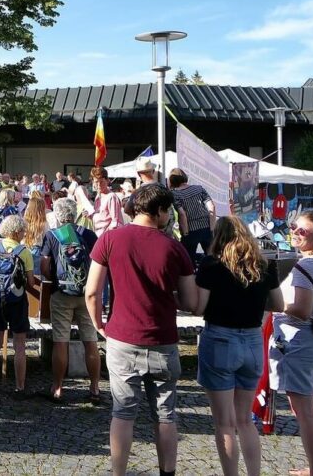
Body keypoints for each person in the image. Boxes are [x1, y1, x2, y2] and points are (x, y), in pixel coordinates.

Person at [84, 183, 197, 476]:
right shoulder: (175, 248)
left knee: (122, 412)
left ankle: (119, 472)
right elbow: (191, 301)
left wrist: (99, 324)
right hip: (162, 337)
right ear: (159, 211)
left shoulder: (109, 239)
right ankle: (167, 472)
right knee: (165, 415)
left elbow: (92, 292)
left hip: (122, 335)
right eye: (168, 210)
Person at [194, 216, 284, 476]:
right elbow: (278, 305)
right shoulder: (264, 265)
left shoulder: (211, 265)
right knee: (245, 421)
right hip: (253, 340)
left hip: (221, 338)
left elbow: (199, 306)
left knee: (224, 424)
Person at [269, 211, 313, 476]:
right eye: (294, 227)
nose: (296, 233)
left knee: (305, 413)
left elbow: (302, 309)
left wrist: (273, 304)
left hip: (298, 343)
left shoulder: (305, 266)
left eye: (303, 231)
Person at [40, 198, 101, 404]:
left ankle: (58, 387)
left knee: (60, 341)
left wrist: (55, 280)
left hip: (61, 293)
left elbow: (45, 266)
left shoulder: (52, 236)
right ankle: (94, 387)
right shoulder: (89, 234)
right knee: (90, 341)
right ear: (75, 214)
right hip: (86, 294)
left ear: (57, 215)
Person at [0, 214, 35, 397]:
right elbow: (31, 282)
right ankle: (20, 387)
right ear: (16, 231)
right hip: (17, 300)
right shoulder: (24, 252)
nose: (24, 233)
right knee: (20, 345)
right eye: (23, 230)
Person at [169, 167, 215, 266]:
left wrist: (185, 233)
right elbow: (212, 207)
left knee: (189, 261)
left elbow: (182, 214)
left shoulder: (175, 194)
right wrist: (211, 229)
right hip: (206, 228)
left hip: (190, 230)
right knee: (212, 259)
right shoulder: (199, 188)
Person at [89, 167, 123, 238]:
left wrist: (105, 237)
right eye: (96, 182)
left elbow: (116, 222)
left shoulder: (111, 197)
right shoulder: (98, 196)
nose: (99, 185)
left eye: (101, 182)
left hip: (106, 237)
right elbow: (102, 217)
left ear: (107, 181)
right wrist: (90, 215)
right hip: (97, 234)